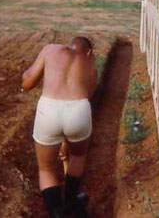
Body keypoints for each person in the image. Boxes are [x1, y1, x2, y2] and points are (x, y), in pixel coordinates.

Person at [22, 36, 98, 217]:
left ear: (69, 45)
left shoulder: (50, 50)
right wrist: (66, 143)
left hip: (49, 110)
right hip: (79, 110)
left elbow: (27, 82)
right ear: (89, 52)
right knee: (78, 156)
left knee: (46, 169)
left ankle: (56, 213)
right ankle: (71, 201)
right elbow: (86, 99)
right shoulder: (91, 66)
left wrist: (26, 78)